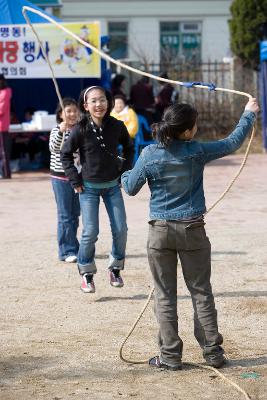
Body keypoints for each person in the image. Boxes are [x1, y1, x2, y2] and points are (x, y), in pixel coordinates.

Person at [121, 98, 259, 370]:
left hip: (159, 233)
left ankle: (170, 358)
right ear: (185, 132)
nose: (196, 129)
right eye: (194, 126)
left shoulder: (149, 154)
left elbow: (130, 187)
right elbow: (232, 143)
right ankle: (213, 354)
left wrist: (124, 172)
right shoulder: (196, 151)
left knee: (165, 296)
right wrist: (248, 114)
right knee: (201, 292)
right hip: (193, 230)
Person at [61, 86, 134, 293]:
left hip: (113, 187)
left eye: (102, 100)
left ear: (108, 102)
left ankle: (115, 268)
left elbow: (129, 148)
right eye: (93, 101)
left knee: (121, 229)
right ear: (86, 105)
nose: (98, 104)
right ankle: (86, 273)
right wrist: (74, 180)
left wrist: (125, 172)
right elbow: (65, 154)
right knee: (90, 231)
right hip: (88, 189)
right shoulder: (79, 128)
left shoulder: (117, 126)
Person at [49, 98, 80, 263]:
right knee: (65, 216)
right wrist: (62, 131)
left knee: (75, 215)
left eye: (75, 110)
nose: (72, 114)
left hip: (77, 178)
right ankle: (66, 251)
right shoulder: (56, 130)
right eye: (68, 111)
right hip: (60, 178)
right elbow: (54, 147)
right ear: (60, 114)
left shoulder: (80, 130)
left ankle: (73, 246)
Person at [0, 74, 12, 179]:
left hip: (2, 126)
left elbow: (2, 109)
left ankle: (6, 173)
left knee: (4, 151)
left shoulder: (6, 91)